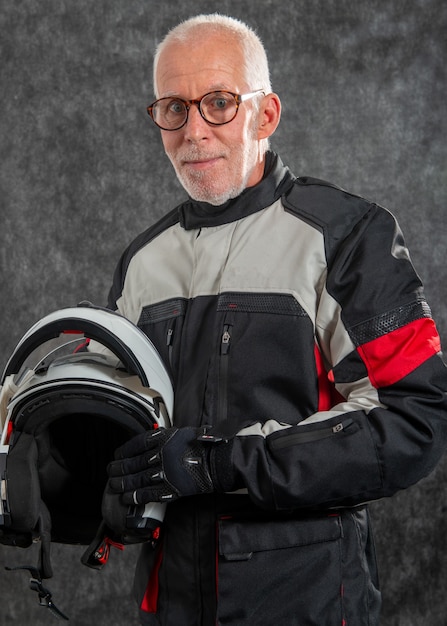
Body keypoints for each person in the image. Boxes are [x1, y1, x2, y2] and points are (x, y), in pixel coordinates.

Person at [106, 13, 447, 626]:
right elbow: (125, 428)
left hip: (304, 598)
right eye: (173, 109)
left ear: (266, 115)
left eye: (218, 103)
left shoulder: (347, 235)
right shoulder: (141, 262)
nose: (193, 132)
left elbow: (413, 419)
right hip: (169, 602)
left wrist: (222, 461)